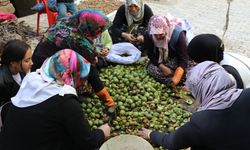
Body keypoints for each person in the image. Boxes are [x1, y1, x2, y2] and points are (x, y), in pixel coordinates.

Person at [0, 49, 111, 150]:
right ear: (71, 73)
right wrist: (102, 132)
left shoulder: (31, 79)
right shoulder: (65, 100)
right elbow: (88, 142)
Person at [138, 61, 250, 150]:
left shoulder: (201, 122)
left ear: (200, 90)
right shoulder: (247, 94)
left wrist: (151, 134)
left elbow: (171, 142)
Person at [31, 9, 117, 117]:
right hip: (46, 69)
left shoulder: (67, 21)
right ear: (89, 26)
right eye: (98, 29)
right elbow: (91, 71)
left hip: (38, 59)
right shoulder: (78, 41)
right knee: (83, 69)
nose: (99, 34)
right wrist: (108, 101)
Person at [137, 15, 189, 86]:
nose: (158, 37)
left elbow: (183, 59)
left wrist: (177, 76)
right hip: (161, 59)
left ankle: (176, 80)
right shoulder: (149, 35)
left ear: (166, 29)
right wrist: (162, 67)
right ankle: (176, 80)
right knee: (151, 69)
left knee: (187, 72)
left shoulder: (178, 35)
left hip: (176, 58)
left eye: (161, 34)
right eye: (155, 34)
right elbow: (150, 54)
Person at [0, 39, 33, 124]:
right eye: (27, 60)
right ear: (13, 63)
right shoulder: (2, 82)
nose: (31, 63)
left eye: (30, 59)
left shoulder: (22, 71)